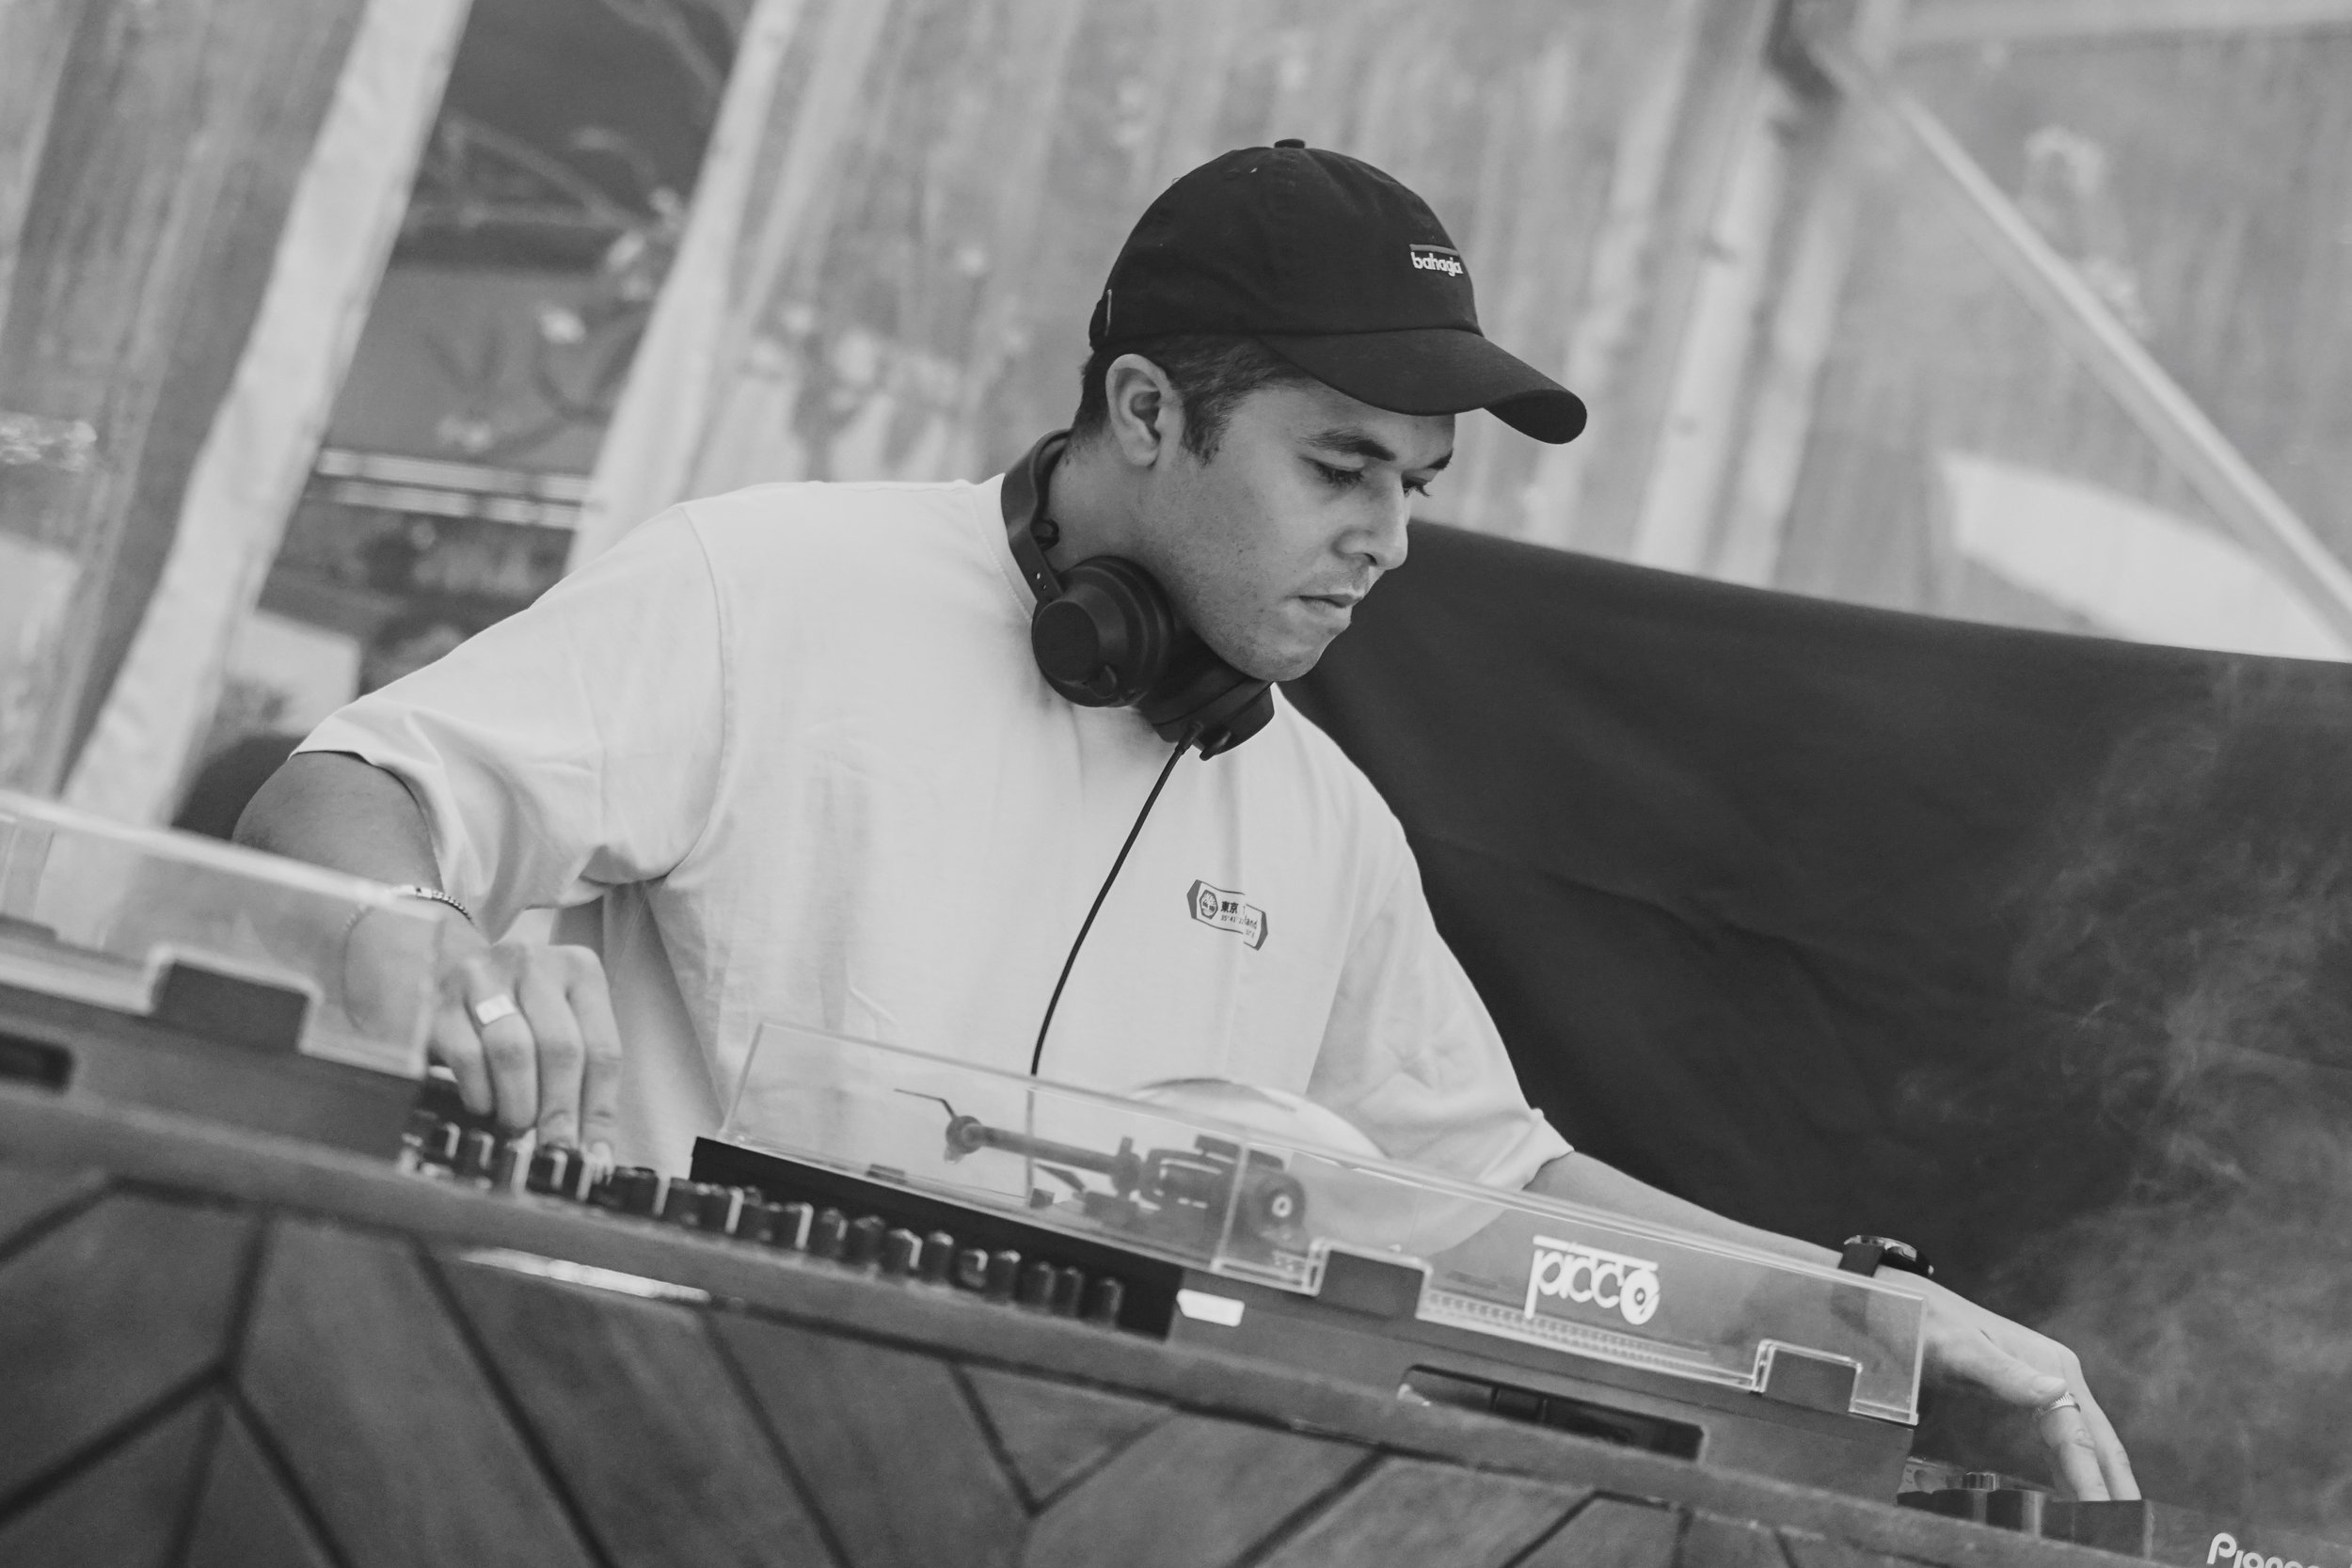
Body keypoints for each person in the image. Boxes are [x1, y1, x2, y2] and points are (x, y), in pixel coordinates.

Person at [238, 142, 2137, 1497]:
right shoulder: (772, 588)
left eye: (1412, 483)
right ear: (1143, 411)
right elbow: (349, 795)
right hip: (620, 1452)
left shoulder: (1318, 823)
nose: (1387, 542)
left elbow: (1497, 1190)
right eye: (1336, 470)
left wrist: (1872, 1320)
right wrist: (431, 951)